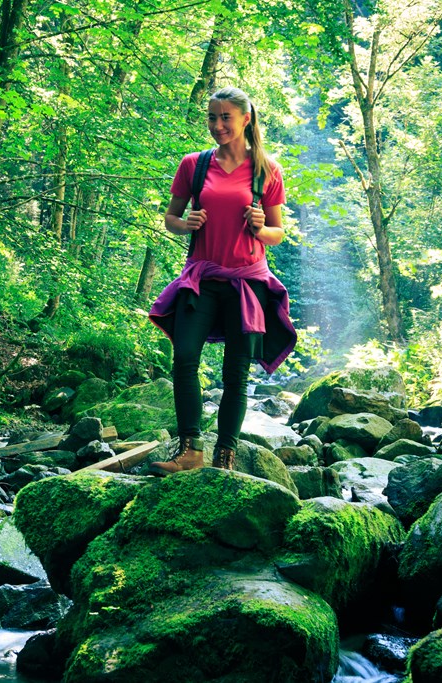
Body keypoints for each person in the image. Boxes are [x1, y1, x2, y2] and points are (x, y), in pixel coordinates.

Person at [148, 87, 297, 474]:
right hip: (202, 277)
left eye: (224, 117)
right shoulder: (193, 165)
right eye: (212, 118)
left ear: (245, 119)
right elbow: (172, 218)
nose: (217, 125)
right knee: (184, 358)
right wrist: (186, 224)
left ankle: (225, 457)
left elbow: (278, 233)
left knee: (236, 372)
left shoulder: (267, 169)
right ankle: (190, 450)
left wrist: (262, 227)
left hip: (248, 283)